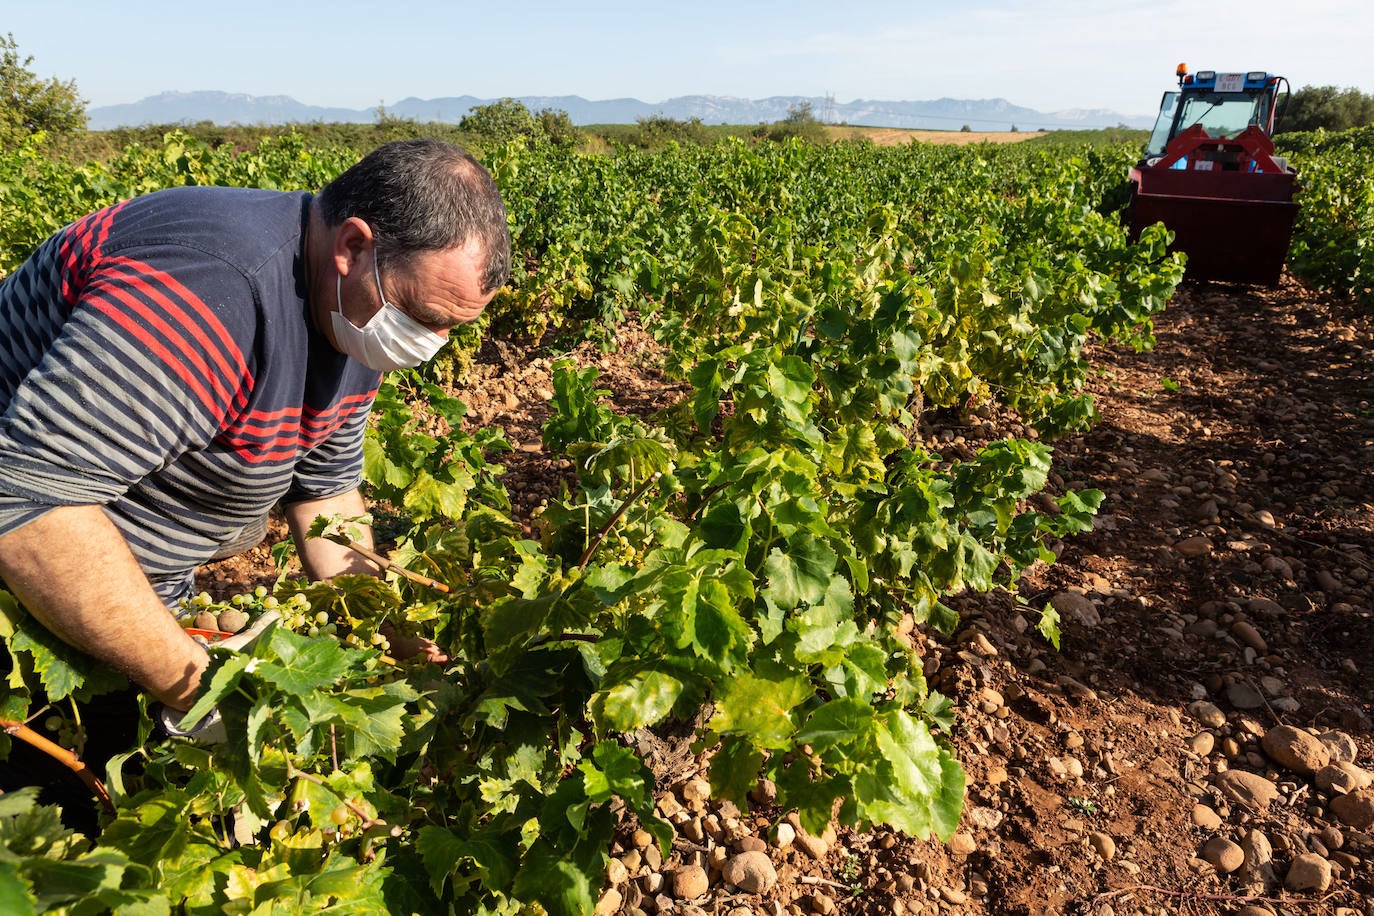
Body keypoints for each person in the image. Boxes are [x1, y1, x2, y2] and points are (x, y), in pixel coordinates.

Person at [0, 138, 510, 721]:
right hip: (31, 589)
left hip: (130, 567)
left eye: (451, 327)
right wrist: (199, 693)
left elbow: (325, 493)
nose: (430, 344)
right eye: (423, 318)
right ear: (352, 245)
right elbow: (28, 502)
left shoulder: (351, 308)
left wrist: (384, 627)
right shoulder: (208, 289)